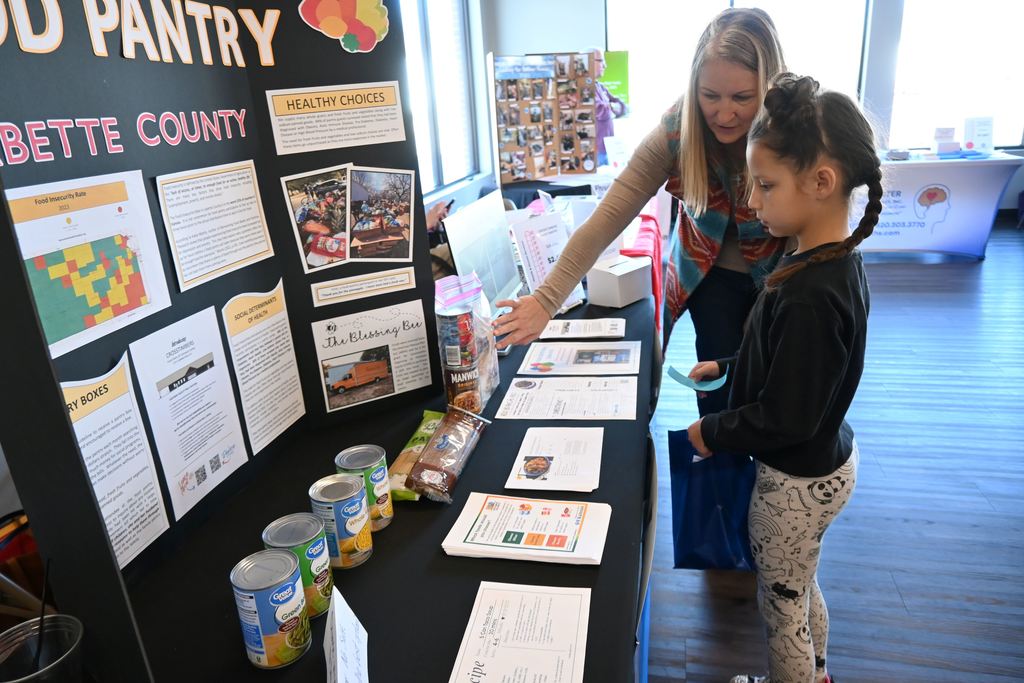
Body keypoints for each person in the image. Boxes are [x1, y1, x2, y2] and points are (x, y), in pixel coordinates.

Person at [495, 7, 789, 419]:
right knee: (719, 393)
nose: (724, 114)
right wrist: (546, 300)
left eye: (742, 97)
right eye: (710, 96)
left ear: (769, 85)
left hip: (783, 276)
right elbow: (610, 214)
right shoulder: (678, 129)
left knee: (778, 384)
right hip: (712, 280)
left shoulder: (796, 125)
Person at [687, 73, 882, 683]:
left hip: (795, 483)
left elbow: (786, 415)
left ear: (821, 182)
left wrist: (712, 431)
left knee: (782, 606)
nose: (755, 200)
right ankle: (817, 674)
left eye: (766, 185)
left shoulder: (807, 293)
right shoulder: (830, 264)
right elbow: (791, 367)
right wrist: (729, 366)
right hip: (825, 462)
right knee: (798, 587)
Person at [589, 48, 627, 166]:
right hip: (595, 150)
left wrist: (612, 107)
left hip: (608, 148)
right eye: (601, 61)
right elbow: (600, 110)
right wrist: (611, 107)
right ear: (588, 61)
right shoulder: (584, 88)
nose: (605, 65)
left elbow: (623, 107)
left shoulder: (600, 86)